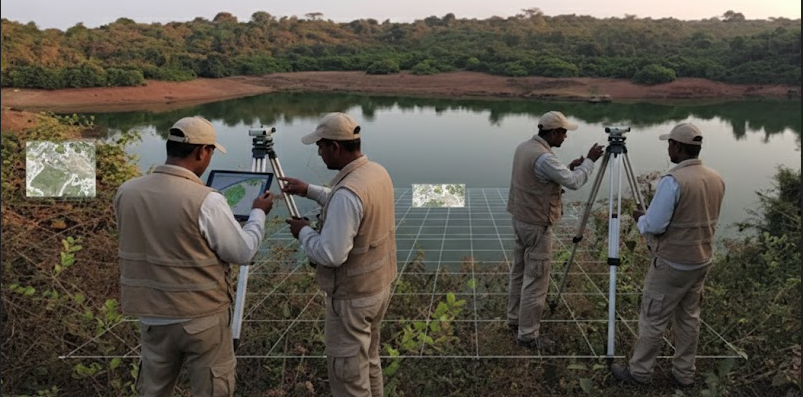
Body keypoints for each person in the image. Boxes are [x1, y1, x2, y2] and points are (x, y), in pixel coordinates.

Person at [114, 116, 274, 396]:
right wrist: (258, 213)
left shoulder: (126, 192)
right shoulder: (207, 199)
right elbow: (243, 252)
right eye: (211, 152)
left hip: (152, 317)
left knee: (152, 390)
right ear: (203, 151)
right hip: (202, 318)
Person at [281, 112, 397, 397]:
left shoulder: (347, 192)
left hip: (352, 299)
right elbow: (349, 202)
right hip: (377, 288)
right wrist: (308, 190)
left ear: (335, 147)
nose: (319, 153)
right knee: (369, 361)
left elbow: (332, 255)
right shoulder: (375, 173)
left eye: (320, 146)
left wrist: (303, 232)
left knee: (348, 376)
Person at [611, 122, 725, 388]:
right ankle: (684, 374)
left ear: (679, 146)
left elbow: (654, 226)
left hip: (673, 262)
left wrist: (641, 218)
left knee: (653, 317)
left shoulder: (673, 181)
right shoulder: (715, 177)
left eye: (670, 144)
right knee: (688, 319)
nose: (668, 149)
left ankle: (639, 373)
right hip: (701, 260)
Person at [506, 110, 604, 352]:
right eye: (563, 132)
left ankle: (515, 320)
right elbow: (573, 182)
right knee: (536, 280)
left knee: (519, 272)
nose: (565, 137)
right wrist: (590, 161)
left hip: (521, 219)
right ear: (551, 132)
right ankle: (528, 336)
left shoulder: (525, 147)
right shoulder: (544, 158)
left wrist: (570, 167)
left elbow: (541, 178)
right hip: (537, 224)